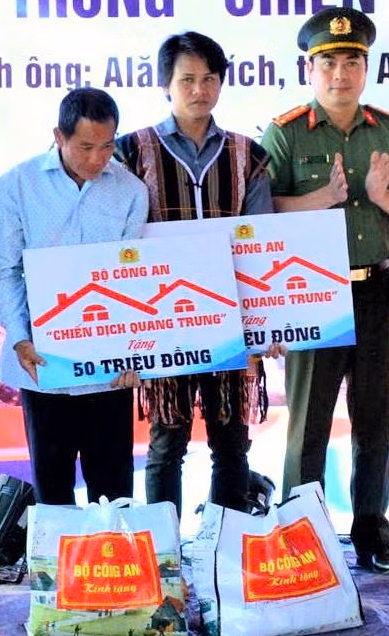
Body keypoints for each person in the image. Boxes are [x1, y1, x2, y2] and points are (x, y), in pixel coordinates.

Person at [263, 7, 389, 573]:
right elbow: (262, 212)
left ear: (366, 68)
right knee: (308, 422)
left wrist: (384, 198)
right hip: (314, 290)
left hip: (375, 287)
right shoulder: (286, 133)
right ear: (309, 69)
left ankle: (372, 535)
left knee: (375, 418)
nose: (341, 74)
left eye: (352, 62)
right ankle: (299, 538)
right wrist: (320, 200)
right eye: (329, 62)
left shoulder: (388, 131)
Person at [113, 31, 273, 515]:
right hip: (163, 318)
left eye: (209, 78)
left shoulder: (248, 154)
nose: (199, 89)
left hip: (232, 318)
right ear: (165, 84)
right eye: (187, 79)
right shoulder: (130, 152)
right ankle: (165, 548)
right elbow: (118, 244)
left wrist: (266, 326)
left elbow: (263, 242)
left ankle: (226, 544)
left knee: (232, 442)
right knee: (167, 444)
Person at [0, 87, 151, 509]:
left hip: (109, 368)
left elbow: (133, 281)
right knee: (53, 492)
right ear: (58, 137)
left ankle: (112, 555)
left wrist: (133, 352)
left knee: (115, 494)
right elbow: (6, 270)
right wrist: (20, 337)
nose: (98, 159)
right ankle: (57, 556)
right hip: (42, 361)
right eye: (85, 147)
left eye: (107, 146)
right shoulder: (18, 184)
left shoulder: (131, 191)